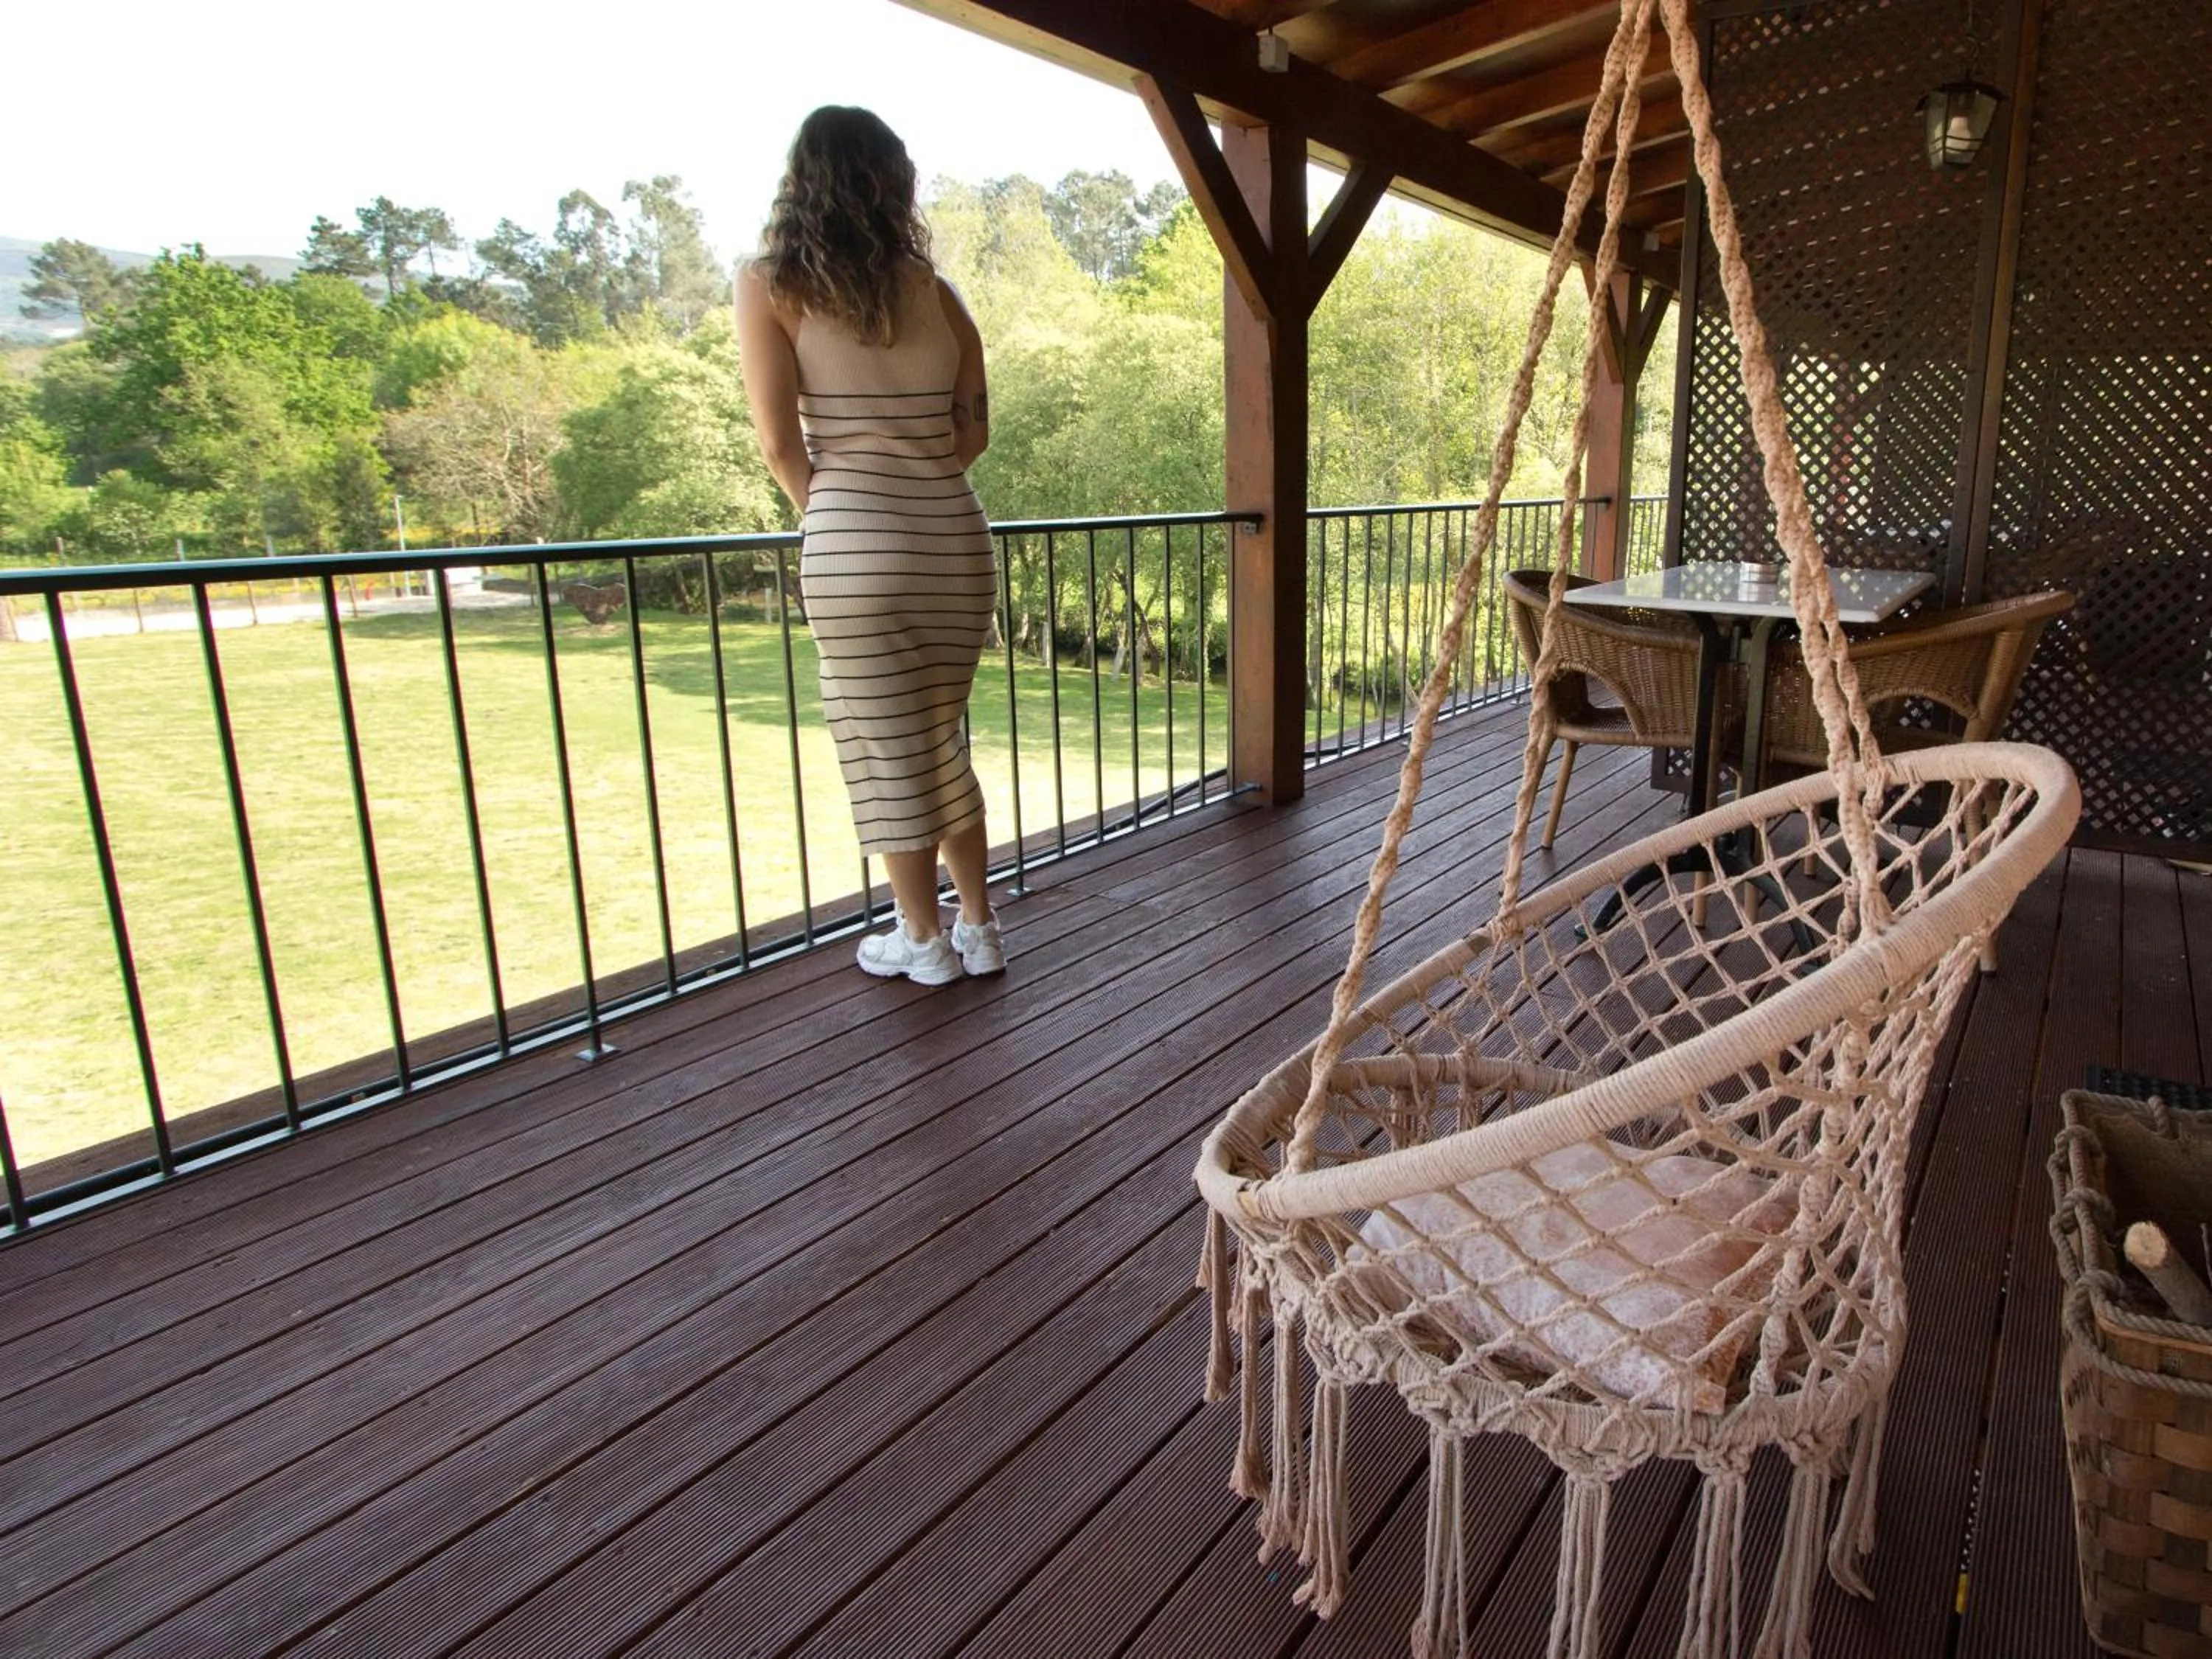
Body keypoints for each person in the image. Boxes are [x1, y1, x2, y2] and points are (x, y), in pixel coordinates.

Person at [736, 105, 1004, 987]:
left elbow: (781, 445)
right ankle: (979, 927)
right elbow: (974, 435)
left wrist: (844, 511)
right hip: (955, 542)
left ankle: (921, 943)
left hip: (855, 543)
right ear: (895, 184)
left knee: (884, 749)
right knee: (939, 737)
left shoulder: (771, 286)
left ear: (800, 181)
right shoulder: (938, 292)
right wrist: (919, 480)